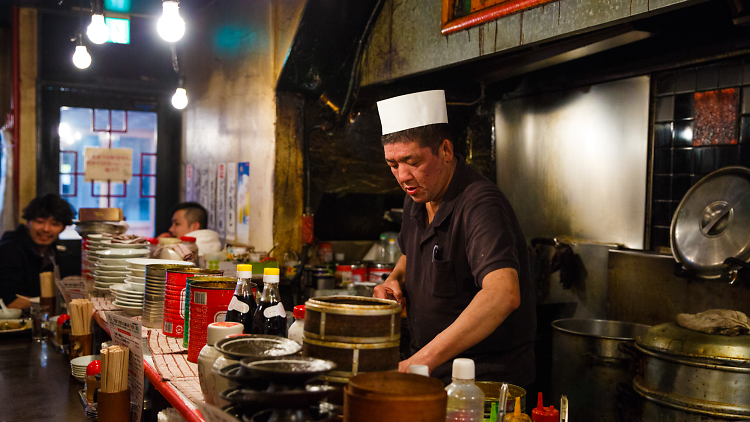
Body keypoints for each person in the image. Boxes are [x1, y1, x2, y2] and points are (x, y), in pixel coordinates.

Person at [372, 90, 536, 387]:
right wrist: (393, 279)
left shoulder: (480, 204)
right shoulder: (419, 195)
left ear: (445, 150)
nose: (403, 177)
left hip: (482, 382)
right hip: (430, 372)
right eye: (393, 165)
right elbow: (412, 253)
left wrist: (422, 360)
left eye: (412, 161)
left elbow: (503, 294)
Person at [0, 194, 74, 307]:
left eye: (55, 224)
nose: (46, 229)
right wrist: (49, 305)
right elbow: (9, 301)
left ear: (63, 228)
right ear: (28, 222)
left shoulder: (54, 251)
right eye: (40, 222)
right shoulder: (10, 249)